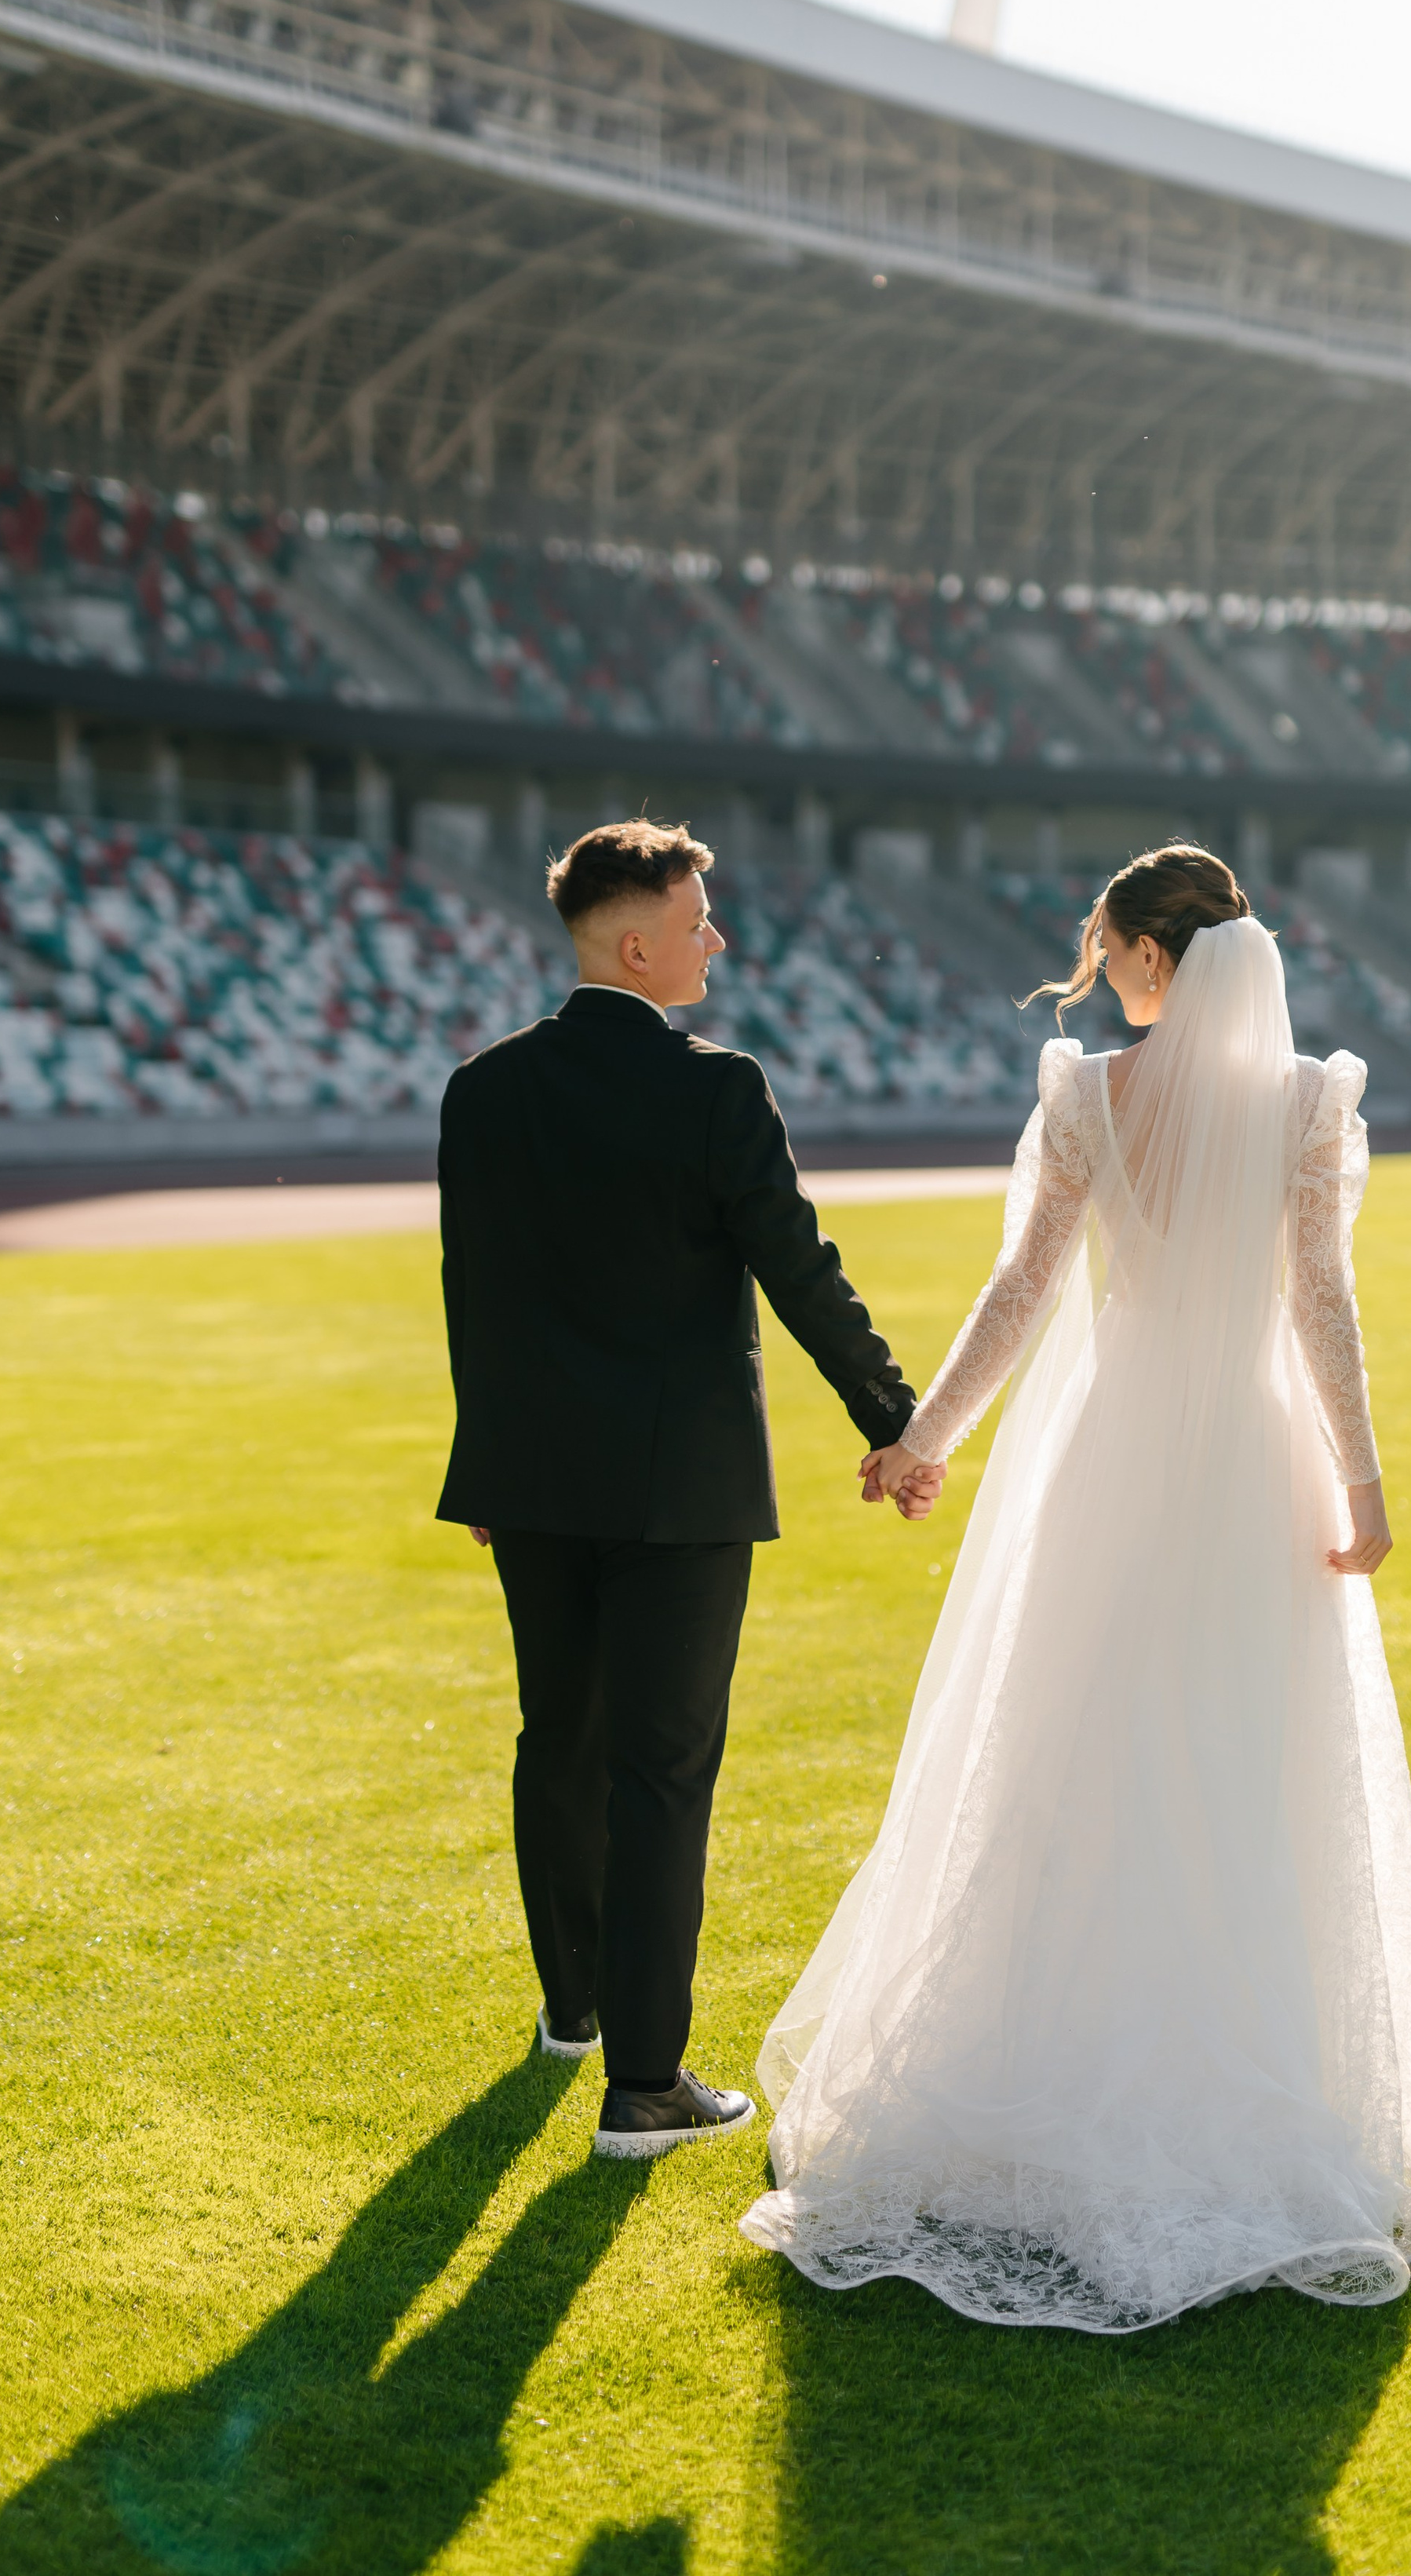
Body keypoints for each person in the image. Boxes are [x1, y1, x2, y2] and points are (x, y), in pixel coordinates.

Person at [742, 842, 1411, 2328]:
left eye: (1107, 948)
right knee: (1249, 1762)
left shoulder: (1090, 1095)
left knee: (1076, 1749)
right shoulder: (1304, 1106)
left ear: (1153, 960)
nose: (1097, 973)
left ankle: (1035, 2068)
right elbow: (1322, 1305)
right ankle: (1256, 2088)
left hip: (1117, 1450)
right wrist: (1361, 1483)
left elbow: (1023, 1290)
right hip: (1252, 1450)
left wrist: (925, 1438)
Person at [436, 817, 943, 2161]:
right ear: (640, 939)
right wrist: (901, 1421)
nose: (718, 938)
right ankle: (645, 2086)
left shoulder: (480, 1089)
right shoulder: (717, 1089)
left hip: (528, 1475)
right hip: (681, 1489)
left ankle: (575, 2011)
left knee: (561, 1738)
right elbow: (799, 1268)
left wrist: (483, 1447)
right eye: (701, 915)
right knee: (663, 1773)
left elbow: (467, 1288)